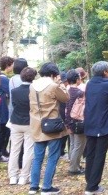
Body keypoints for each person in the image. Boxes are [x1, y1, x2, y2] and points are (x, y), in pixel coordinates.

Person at [28, 62, 69, 195]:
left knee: (38, 158)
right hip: (52, 126)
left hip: (36, 125)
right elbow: (66, 98)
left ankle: (33, 187)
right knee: (52, 157)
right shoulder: (52, 86)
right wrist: (61, 84)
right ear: (53, 74)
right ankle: (46, 186)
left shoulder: (32, 86)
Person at [83, 61, 108, 195]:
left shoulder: (89, 83)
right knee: (99, 154)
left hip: (90, 121)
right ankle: (92, 186)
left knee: (90, 152)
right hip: (103, 123)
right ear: (105, 72)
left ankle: (89, 179)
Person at [7, 67, 37, 185]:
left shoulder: (14, 91)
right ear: (33, 78)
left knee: (14, 150)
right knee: (28, 151)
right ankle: (24, 177)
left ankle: (13, 176)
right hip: (29, 123)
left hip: (15, 122)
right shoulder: (34, 91)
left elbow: (13, 105)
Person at [65, 69, 87, 175]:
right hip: (78, 122)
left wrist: (67, 123)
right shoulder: (80, 93)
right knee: (78, 146)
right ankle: (73, 168)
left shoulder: (66, 91)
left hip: (68, 122)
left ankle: (75, 165)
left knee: (73, 145)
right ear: (77, 80)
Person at [0, 56, 14, 163]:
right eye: (12, 64)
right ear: (8, 65)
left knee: (5, 131)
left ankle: (3, 151)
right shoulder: (4, 78)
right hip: (2, 107)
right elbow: (10, 91)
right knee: (2, 131)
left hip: (1, 106)